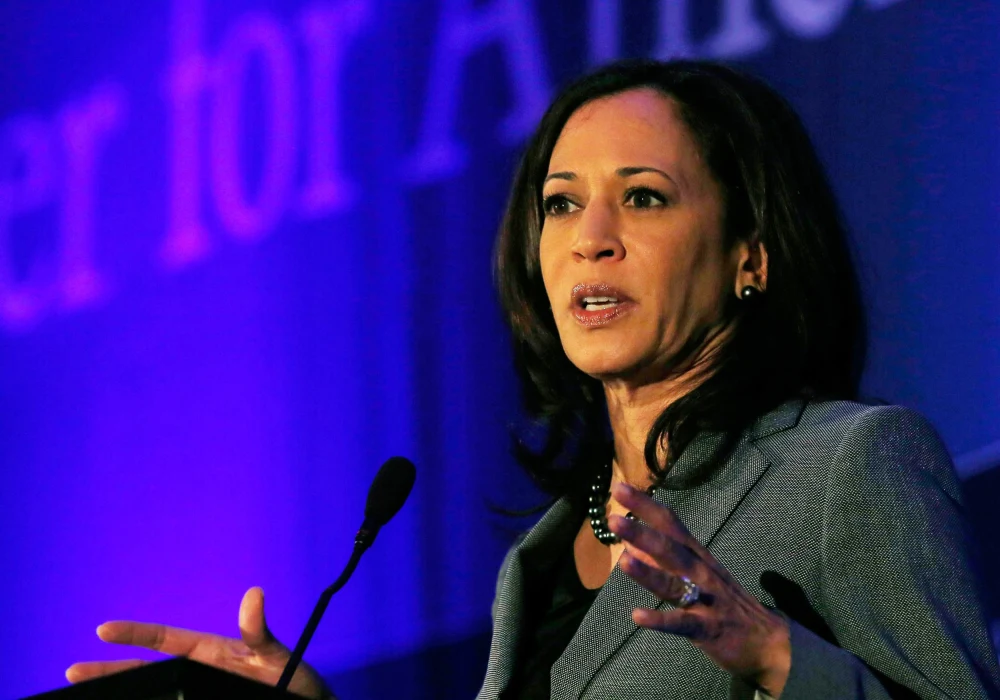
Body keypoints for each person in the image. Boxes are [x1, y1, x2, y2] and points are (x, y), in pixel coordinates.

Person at [66, 59, 1000, 699]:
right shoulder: (541, 560)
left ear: (750, 256)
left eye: (643, 196)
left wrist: (780, 660)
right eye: (561, 204)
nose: (591, 236)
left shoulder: (850, 465)